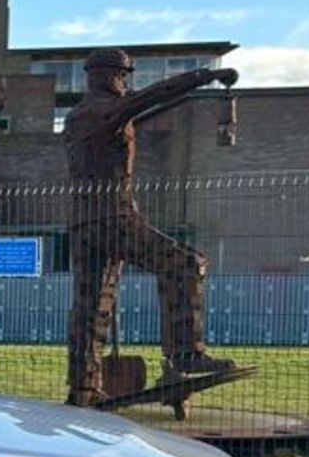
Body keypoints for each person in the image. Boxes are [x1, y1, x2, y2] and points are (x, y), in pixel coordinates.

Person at [64, 48, 239, 407]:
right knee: (184, 263)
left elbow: (146, 105)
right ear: (104, 75)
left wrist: (186, 93)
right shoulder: (101, 110)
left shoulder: (85, 115)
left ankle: (82, 388)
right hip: (111, 216)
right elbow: (150, 97)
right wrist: (203, 77)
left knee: (91, 308)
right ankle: (187, 352)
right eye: (122, 75)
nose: (125, 82)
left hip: (85, 221)